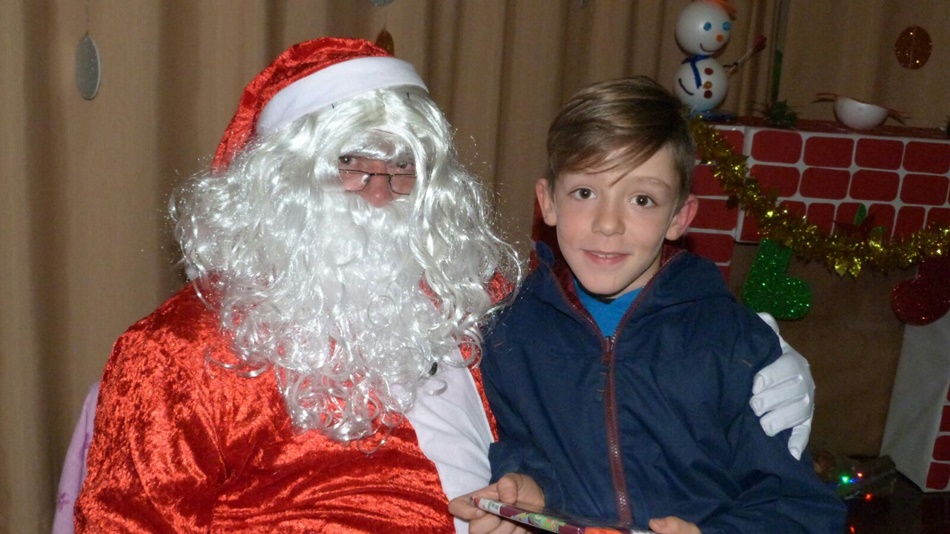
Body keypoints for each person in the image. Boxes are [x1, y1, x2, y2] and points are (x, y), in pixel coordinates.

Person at [71, 37, 816, 533]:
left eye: (404, 170)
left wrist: (767, 352)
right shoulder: (179, 351)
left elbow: (600, 380)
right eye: (353, 163)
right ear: (281, 182)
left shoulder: (478, 298)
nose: (380, 190)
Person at [450, 77, 845, 534]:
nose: (608, 223)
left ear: (679, 217)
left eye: (642, 199)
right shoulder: (511, 335)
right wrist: (528, 487)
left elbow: (801, 508)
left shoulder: (732, 341)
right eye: (584, 192)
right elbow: (524, 448)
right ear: (547, 202)